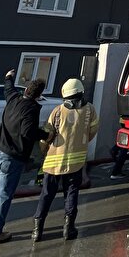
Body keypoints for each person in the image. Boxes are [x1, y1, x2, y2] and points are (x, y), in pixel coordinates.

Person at [0, 70, 50, 245]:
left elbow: (8, 87)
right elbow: (28, 132)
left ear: (25, 90)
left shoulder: (13, 98)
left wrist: (8, 76)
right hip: (12, 157)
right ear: (39, 95)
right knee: (4, 195)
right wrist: (45, 134)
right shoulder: (31, 109)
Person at [34, 78, 100, 242]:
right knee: (71, 194)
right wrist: (81, 142)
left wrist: (43, 151)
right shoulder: (89, 110)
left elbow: (46, 136)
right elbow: (92, 131)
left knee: (46, 195)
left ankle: (37, 230)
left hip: (53, 162)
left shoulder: (57, 111)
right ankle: (68, 229)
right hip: (76, 162)